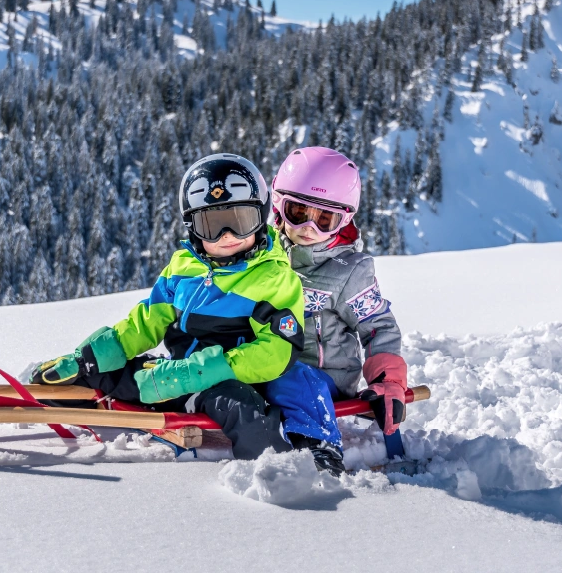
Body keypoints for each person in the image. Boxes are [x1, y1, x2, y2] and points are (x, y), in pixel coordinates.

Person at [32, 153, 305, 460]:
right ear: (193, 227)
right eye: (211, 224)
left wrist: (199, 373)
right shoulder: (183, 267)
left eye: (240, 221)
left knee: (246, 414)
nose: (227, 235)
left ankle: (276, 472)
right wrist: (87, 359)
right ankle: (48, 393)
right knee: (92, 375)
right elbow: (146, 321)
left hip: (225, 383)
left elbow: (277, 351)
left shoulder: (274, 278)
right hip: (167, 377)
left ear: (261, 217)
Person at [265, 146, 408, 475]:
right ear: (278, 204)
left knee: (294, 379)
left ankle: (320, 450)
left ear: (344, 220)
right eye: (298, 212)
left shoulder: (349, 271)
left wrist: (387, 382)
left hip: (321, 377)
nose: (308, 228)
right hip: (264, 364)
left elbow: (377, 327)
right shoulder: (261, 256)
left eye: (324, 219)